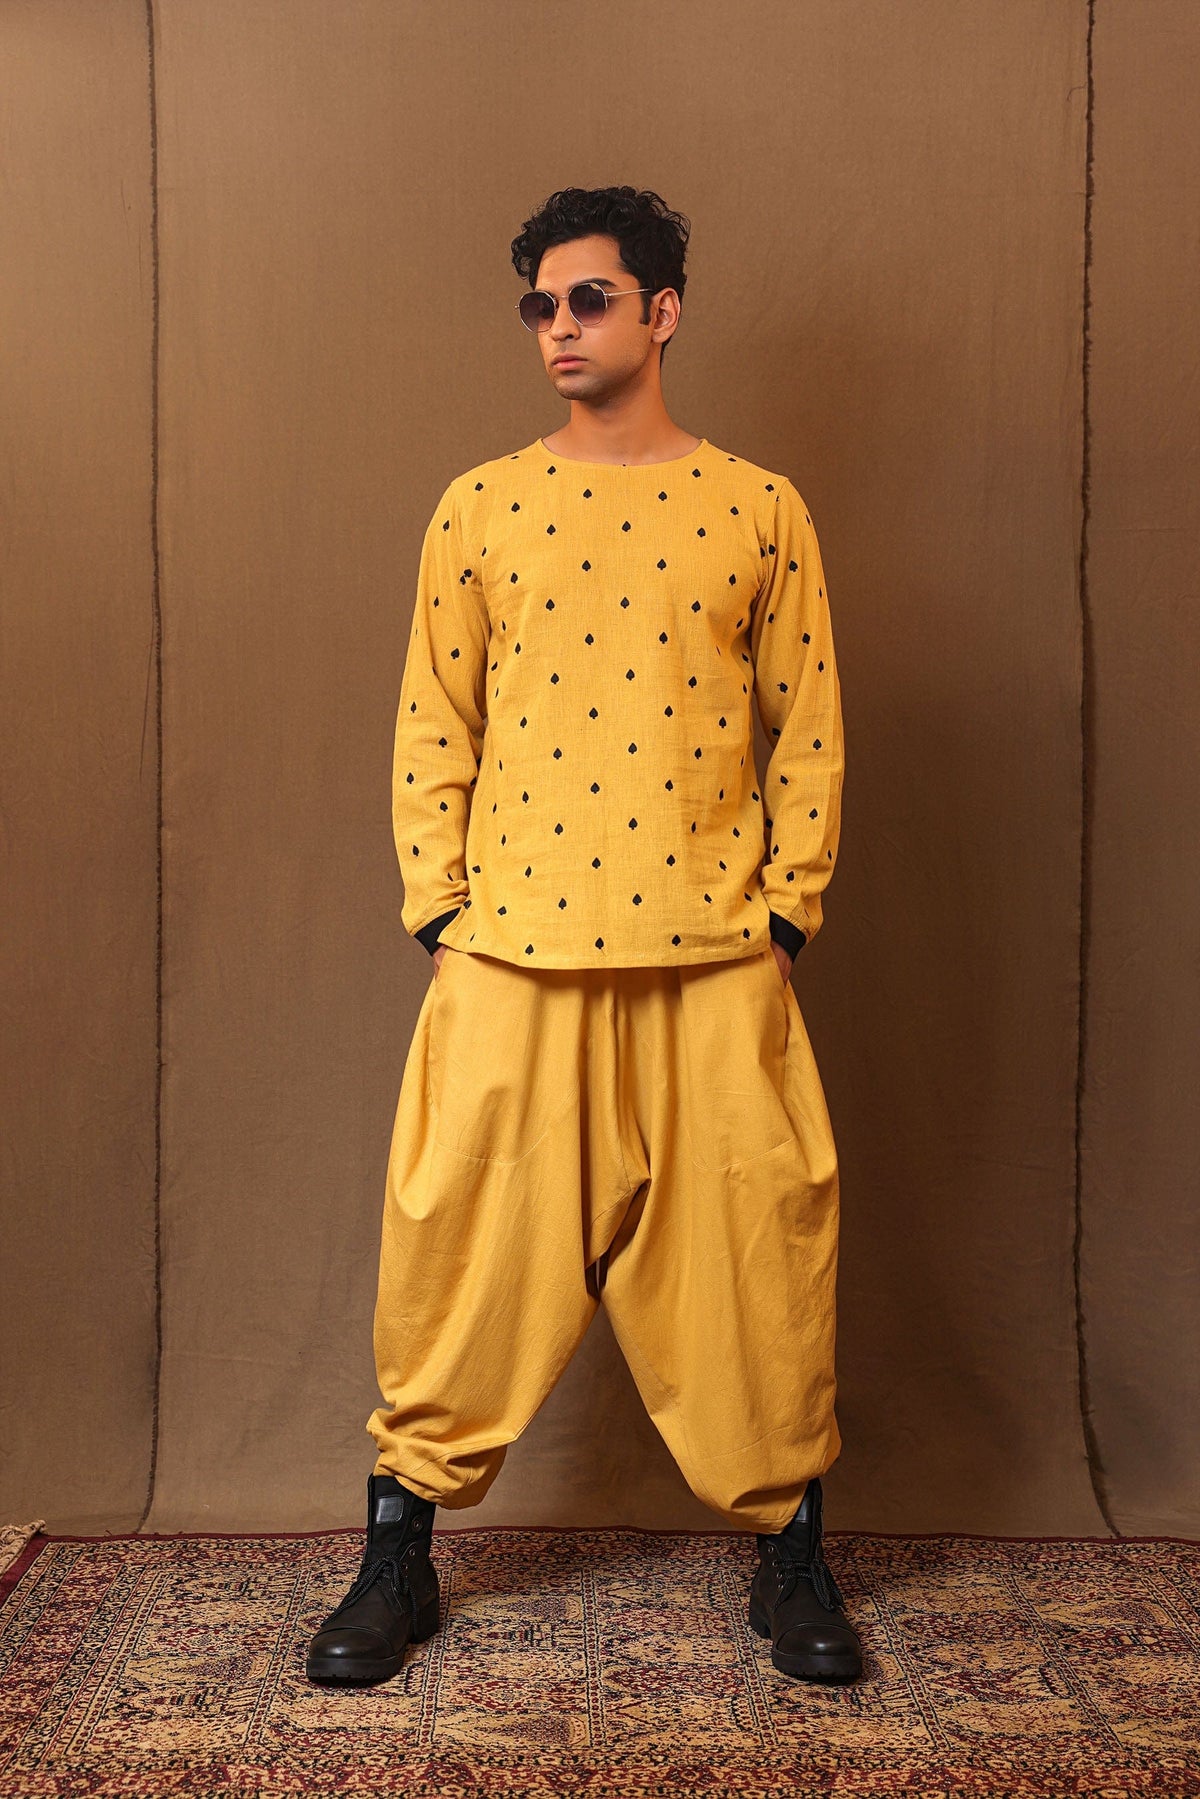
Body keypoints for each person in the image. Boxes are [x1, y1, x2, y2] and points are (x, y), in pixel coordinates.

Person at [306, 185, 861, 1688]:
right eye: (540, 305)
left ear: (662, 312)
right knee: (460, 1249)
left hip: (713, 956)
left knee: (754, 1250)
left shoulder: (761, 508)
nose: (559, 326)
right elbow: (435, 720)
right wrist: (442, 910)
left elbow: (808, 723)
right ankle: (399, 1554)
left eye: (590, 298)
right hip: (514, 954)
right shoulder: (479, 507)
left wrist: (786, 913)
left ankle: (793, 1549)